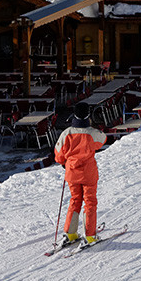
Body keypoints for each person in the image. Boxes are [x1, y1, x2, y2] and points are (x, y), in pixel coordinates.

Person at [54, 102, 107, 244]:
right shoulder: (92, 133)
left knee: (75, 200)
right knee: (90, 202)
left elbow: (58, 155)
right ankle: (90, 235)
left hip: (72, 172)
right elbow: (102, 139)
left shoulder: (67, 133)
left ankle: (70, 233)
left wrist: (64, 162)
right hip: (88, 173)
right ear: (88, 116)